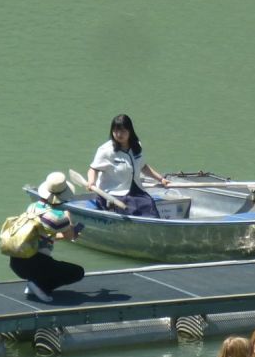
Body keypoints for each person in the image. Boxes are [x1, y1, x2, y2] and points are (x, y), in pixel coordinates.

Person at [9, 172, 85, 303]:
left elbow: (46, 235)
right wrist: (69, 221)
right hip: (36, 264)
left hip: (16, 262)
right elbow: (70, 236)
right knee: (77, 272)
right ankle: (40, 286)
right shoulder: (58, 217)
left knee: (48, 265)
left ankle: (35, 283)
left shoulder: (32, 207)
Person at [87, 113, 171, 218]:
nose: (119, 134)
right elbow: (93, 169)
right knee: (131, 209)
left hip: (135, 189)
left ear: (130, 131)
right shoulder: (106, 151)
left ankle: (152, 225)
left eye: (122, 131)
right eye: (115, 131)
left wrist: (161, 179)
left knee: (149, 204)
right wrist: (91, 181)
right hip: (114, 193)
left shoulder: (137, 146)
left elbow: (143, 167)